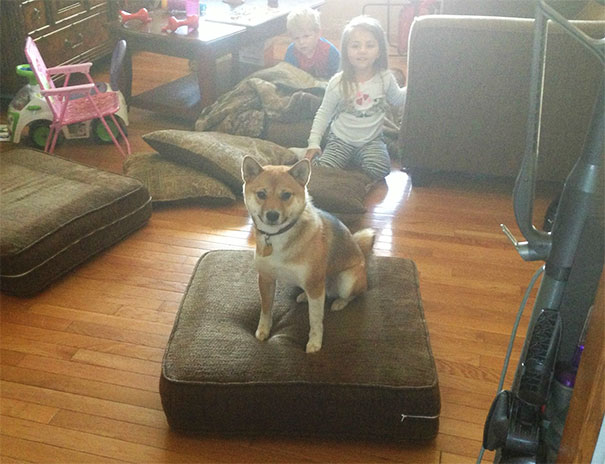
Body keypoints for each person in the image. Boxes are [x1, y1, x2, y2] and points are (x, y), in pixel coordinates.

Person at [305, 15, 406, 180]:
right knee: (323, 170)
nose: (362, 50)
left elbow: (397, 99)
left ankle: (355, 159)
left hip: (371, 141)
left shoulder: (385, 78)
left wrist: (417, 84)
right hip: (340, 139)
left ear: (380, 51)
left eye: (370, 45)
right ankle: (340, 158)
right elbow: (324, 113)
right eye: (355, 46)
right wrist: (313, 143)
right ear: (345, 50)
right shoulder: (338, 82)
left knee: (381, 169)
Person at [284, 7, 340, 79]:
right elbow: (287, 76)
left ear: (318, 33)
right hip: (299, 87)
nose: (301, 42)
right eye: (296, 38)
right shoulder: (291, 52)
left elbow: (339, 77)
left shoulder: (329, 51)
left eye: (306, 36)